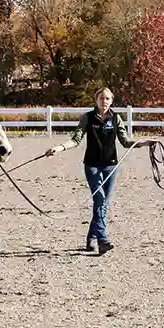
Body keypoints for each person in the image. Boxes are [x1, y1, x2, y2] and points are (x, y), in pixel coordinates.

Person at [48, 87, 132, 254]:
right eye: (101, 98)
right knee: (100, 199)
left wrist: (145, 142)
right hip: (92, 166)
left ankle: (91, 238)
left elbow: (125, 142)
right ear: (96, 100)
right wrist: (59, 148)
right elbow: (76, 139)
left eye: (107, 98)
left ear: (112, 100)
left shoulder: (116, 119)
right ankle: (102, 239)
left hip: (111, 166)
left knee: (103, 204)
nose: (104, 101)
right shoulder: (88, 118)